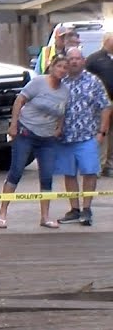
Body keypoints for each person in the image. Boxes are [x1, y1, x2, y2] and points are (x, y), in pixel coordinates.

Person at [0, 55, 69, 229]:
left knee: (46, 176)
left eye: (65, 68)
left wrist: (59, 127)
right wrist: (13, 124)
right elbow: (20, 100)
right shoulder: (38, 83)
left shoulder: (65, 90)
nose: (62, 70)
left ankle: (45, 217)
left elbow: (62, 111)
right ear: (52, 67)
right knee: (16, 172)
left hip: (47, 138)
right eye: (59, 66)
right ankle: (2, 212)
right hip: (26, 132)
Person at [56, 47, 111, 226]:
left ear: (83, 60)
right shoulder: (60, 81)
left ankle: (87, 209)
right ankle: (74, 209)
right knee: (69, 174)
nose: (74, 62)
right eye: (71, 59)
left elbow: (106, 106)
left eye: (77, 59)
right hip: (65, 137)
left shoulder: (93, 81)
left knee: (89, 172)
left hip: (88, 136)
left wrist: (102, 132)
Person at [85, 32, 113, 177]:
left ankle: (109, 165)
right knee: (103, 132)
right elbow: (85, 77)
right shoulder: (95, 59)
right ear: (107, 41)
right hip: (102, 103)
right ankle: (98, 165)